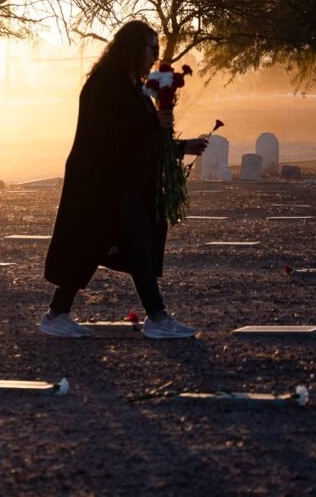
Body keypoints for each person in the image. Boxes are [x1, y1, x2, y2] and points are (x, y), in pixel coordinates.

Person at [41, 20, 208, 339]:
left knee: (133, 244)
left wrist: (180, 147)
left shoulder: (134, 86)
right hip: (100, 183)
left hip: (124, 182)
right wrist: (153, 123)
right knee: (99, 244)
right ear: (132, 48)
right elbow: (108, 132)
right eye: (151, 48)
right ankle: (155, 318)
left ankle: (60, 313)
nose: (155, 55)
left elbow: (142, 136)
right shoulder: (106, 83)